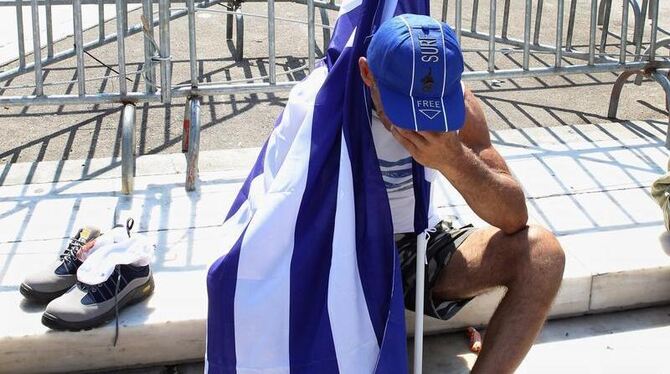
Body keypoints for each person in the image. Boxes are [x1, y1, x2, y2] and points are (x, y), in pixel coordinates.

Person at [357, 14, 566, 373]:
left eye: (429, 106)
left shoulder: (459, 106)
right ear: (366, 74)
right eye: (402, 104)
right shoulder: (325, 104)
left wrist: (454, 161)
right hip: (344, 245)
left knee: (542, 254)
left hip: (416, 242)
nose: (415, 120)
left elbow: (513, 216)